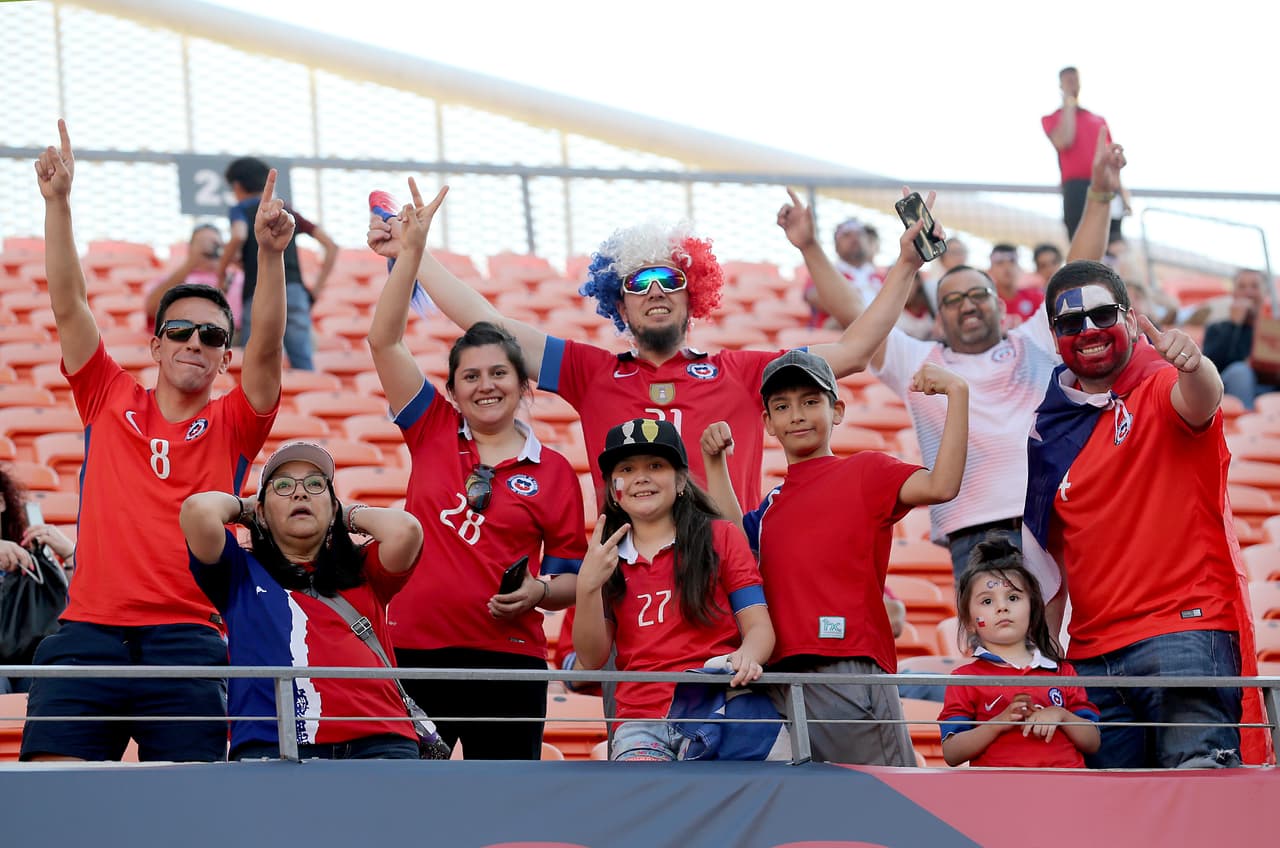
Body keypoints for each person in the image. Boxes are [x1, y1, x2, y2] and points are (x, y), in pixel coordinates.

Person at [367, 185, 922, 514]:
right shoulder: (591, 371)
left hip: (733, 578)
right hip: (629, 588)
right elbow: (487, 322)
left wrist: (906, 263)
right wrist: (413, 255)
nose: (654, 290)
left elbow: (852, 350)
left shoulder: (744, 370)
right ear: (619, 304)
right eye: (637, 283)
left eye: (668, 279)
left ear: (693, 293)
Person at [20, 121, 285, 763]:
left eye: (214, 337)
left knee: (187, 820)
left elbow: (270, 344)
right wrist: (58, 204)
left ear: (225, 358)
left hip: (188, 642)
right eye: (182, 330)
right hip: (86, 635)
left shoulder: (234, 421)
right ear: (157, 342)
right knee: (57, 814)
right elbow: (69, 303)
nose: (196, 342)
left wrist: (270, 256)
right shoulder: (107, 395)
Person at [785, 131, 1126, 576]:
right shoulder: (918, 361)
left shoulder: (1035, 341)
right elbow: (852, 311)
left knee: (1069, 644)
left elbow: (1077, 275)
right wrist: (809, 246)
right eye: (952, 299)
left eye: (978, 294)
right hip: (975, 533)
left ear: (1001, 305)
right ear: (939, 317)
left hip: (1056, 515)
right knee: (997, 646)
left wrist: (1099, 193)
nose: (966, 303)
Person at [367, 179, 586, 760]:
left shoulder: (557, 472)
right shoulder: (432, 428)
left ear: (523, 384)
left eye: (499, 374)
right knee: (408, 807)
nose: (486, 385)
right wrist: (408, 254)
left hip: (510, 662)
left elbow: (571, 579)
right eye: (471, 376)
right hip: (413, 654)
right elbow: (383, 342)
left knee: (505, 813)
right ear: (455, 390)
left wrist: (538, 590)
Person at [1023, 258, 1264, 768]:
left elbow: (1201, 401)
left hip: (1183, 637)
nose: (1088, 331)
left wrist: (1194, 364)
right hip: (1091, 658)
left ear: (1131, 320)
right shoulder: (1049, 431)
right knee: (1114, 831)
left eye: (1102, 315)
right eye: (1070, 323)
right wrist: (1046, 668)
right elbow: (1051, 567)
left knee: (1199, 811)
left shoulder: (1160, 384)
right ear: (1054, 334)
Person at [701, 345, 968, 765]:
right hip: (776, 681)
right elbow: (733, 542)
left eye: (811, 402)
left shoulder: (866, 471)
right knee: (812, 823)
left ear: (837, 410)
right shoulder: (772, 504)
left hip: (846, 670)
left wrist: (957, 392)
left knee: (881, 808)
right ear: (768, 423)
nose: (798, 415)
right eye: (782, 406)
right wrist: (714, 464)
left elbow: (942, 485)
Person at [181, 442, 423, 760]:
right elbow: (197, 511)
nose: (300, 493)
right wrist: (248, 508)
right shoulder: (238, 572)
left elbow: (406, 530)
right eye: (282, 486)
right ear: (262, 512)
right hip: (272, 745)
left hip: (380, 741)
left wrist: (342, 514)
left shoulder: (363, 569)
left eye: (315, 484)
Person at [573, 418, 775, 761]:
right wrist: (587, 587)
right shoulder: (602, 557)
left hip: (716, 707)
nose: (641, 477)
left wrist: (748, 656)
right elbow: (591, 659)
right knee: (650, 811)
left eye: (656, 465)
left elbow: (759, 628)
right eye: (626, 468)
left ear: (681, 479)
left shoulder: (721, 536)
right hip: (638, 721)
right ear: (612, 488)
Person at [937, 537, 1099, 768]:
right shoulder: (965, 679)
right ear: (969, 621)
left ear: (1033, 610)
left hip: (1066, 793)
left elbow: (1093, 742)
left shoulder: (1063, 672)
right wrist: (997, 723)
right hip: (999, 796)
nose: (1002, 607)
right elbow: (952, 753)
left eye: (1013, 598)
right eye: (987, 601)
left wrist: (1061, 715)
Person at [219, 156, 337, 371]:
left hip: (258, 291)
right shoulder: (287, 212)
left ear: (236, 186)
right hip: (294, 290)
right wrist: (317, 288)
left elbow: (238, 236)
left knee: (255, 362)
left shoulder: (241, 209)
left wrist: (221, 270)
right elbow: (330, 245)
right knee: (302, 360)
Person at [0, 468, 74, 695]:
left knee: (49, 682)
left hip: (34, 661)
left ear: (1, 501)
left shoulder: (35, 555)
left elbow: (80, 606)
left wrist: (71, 555)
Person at [1042, 66, 1114, 240]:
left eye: (1074, 80)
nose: (1072, 84)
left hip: (1104, 184)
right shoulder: (1052, 118)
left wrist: (1121, 191)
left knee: (1111, 241)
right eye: (1067, 81)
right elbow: (1064, 140)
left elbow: (1111, 157)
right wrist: (1068, 102)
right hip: (1076, 187)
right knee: (1079, 240)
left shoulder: (1097, 119)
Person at [142, 224, 242, 334]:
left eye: (215, 243)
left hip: (230, 339)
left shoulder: (238, 278)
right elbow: (152, 309)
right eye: (201, 242)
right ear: (190, 248)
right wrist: (191, 263)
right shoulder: (173, 279)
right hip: (183, 336)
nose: (209, 248)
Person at [1202, 269, 1276, 410]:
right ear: (1234, 293)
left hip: (1267, 390)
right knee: (1241, 372)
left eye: (1255, 287)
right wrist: (1234, 325)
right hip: (1230, 390)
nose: (1248, 292)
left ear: (1264, 293)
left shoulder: (1272, 330)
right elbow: (1210, 368)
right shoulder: (1217, 328)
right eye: (1242, 287)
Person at [802, 217, 884, 329]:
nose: (854, 238)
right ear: (836, 245)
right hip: (841, 332)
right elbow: (812, 296)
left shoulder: (881, 275)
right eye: (847, 235)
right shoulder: (826, 272)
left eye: (859, 234)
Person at [989, 244, 1043, 329]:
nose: (1007, 267)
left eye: (1012, 261)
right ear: (991, 269)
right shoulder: (986, 303)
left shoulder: (1036, 298)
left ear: (1019, 267)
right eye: (1000, 263)